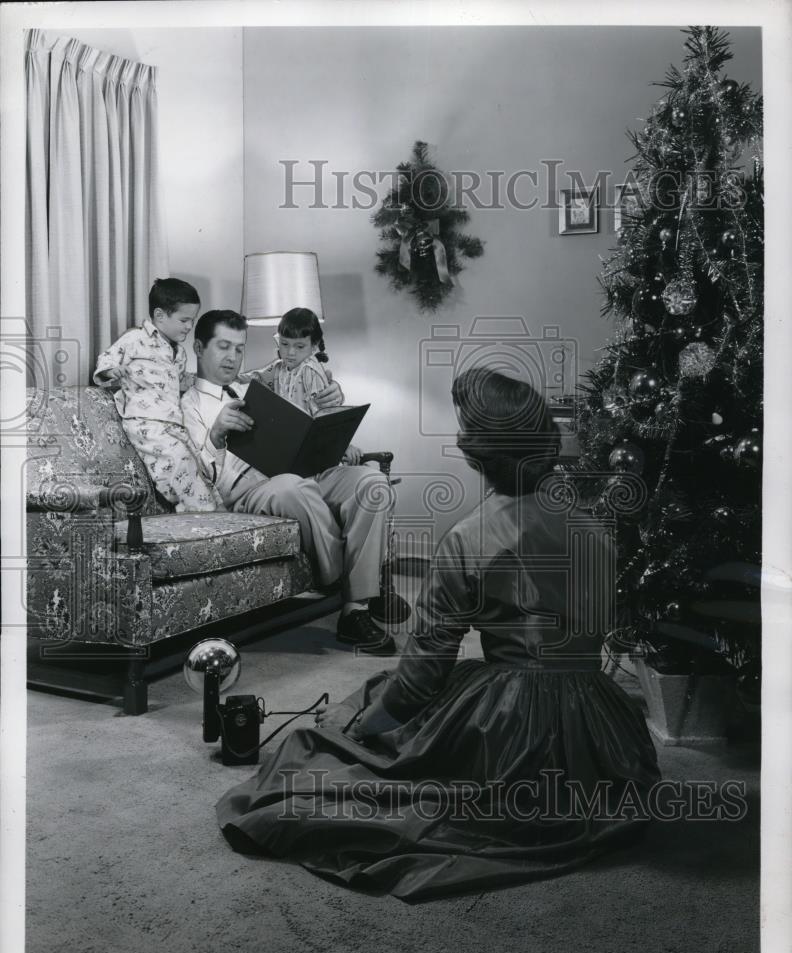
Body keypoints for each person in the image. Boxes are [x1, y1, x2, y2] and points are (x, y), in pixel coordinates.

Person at [215, 367, 661, 902]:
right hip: (599, 720)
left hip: (515, 727)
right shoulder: (596, 526)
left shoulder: (468, 538)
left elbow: (422, 675)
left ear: (473, 455)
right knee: (389, 696)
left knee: (337, 745)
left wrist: (361, 730)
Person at [181, 309, 395, 654]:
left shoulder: (254, 384)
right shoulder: (188, 403)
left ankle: (356, 607)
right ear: (200, 348)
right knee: (291, 487)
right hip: (251, 489)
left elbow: (298, 410)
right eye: (223, 347)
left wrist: (333, 398)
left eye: (239, 348)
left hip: (303, 470)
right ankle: (357, 593)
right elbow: (201, 477)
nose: (232, 357)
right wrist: (217, 433)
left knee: (371, 483)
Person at [93, 278, 223, 512]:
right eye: (184, 320)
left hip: (173, 423)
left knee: (197, 463)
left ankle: (209, 511)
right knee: (176, 460)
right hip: (146, 422)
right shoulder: (135, 339)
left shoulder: (179, 352)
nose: (188, 327)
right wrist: (113, 370)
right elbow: (106, 359)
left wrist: (208, 380)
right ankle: (201, 512)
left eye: (191, 321)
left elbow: (179, 381)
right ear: (160, 315)